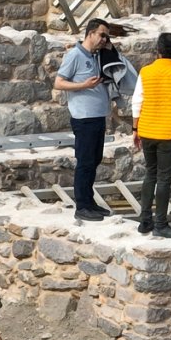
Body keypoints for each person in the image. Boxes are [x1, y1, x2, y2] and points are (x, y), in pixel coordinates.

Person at [130, 33, 171, 239]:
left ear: (157, 49)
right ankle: (160, 223)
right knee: (164, 178)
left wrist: (135, 129)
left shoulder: (146, 71)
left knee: (150, 174)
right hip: (168, 132)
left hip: (147, 130)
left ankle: (145, 220)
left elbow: (137, 101)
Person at [53, 18, 114, 222]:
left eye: (107, 36)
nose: (104, 39)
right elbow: (59, 83)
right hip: (84, 117)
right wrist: (83, 86)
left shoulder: (97, 56)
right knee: (85, 161)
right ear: (90, 34)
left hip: (97, 116)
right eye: (102, 35)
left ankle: (89, 201)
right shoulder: (75, 55)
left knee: (94, 160)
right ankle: (82, 206)